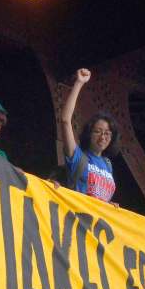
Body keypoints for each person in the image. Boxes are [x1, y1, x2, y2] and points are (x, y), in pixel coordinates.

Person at [59, 68, 119, 203]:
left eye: (107, 133)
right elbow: (65, 120)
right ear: (89, 133)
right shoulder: (77, 156)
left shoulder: (108, 165)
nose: (103, 137)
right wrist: (79, 83)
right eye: (98, 131)